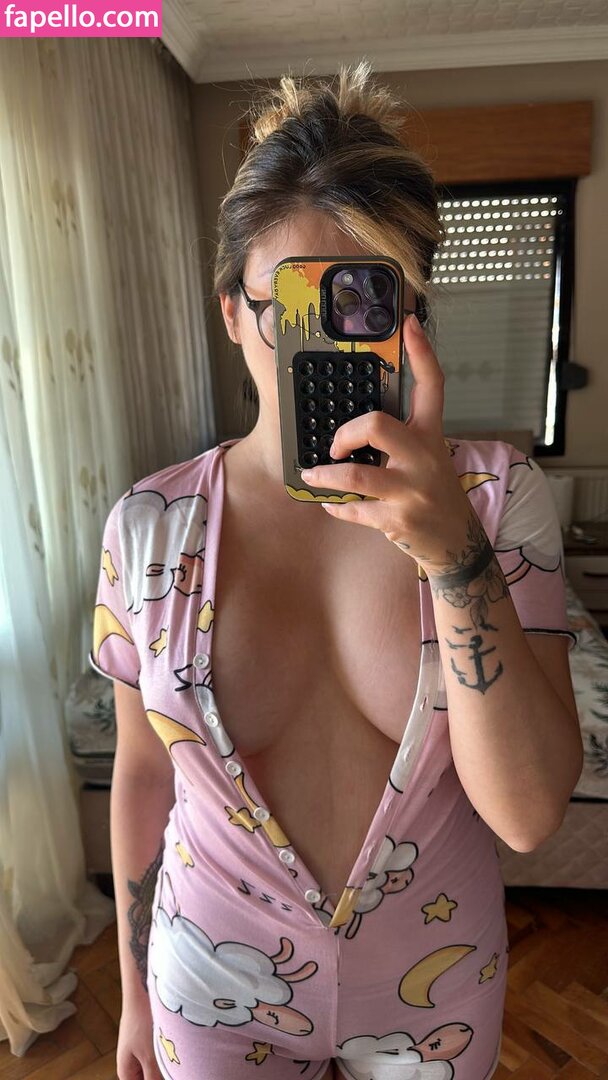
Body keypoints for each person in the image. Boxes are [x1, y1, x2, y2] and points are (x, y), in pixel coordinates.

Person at [89, 59, 582, 1080]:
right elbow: (142, 773)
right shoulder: (146, 528)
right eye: (294, 305)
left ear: (413, 313)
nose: (329, 345)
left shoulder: (497, 498)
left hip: (434, 986)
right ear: (233, 313)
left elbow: (529, 815)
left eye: (368, 301)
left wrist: (453, 554)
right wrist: (132, 991)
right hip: (209, 980)